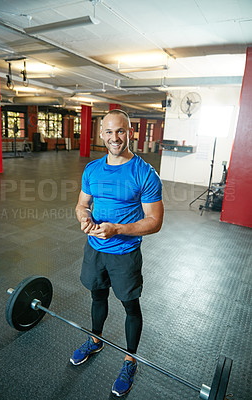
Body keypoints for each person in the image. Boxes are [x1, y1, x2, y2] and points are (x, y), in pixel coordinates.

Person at [70, 109, 164, 397]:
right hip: (95, 249)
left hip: (124, 254)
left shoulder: (145, 174)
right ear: (101, 134)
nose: (115, 138)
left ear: (130, 132)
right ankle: (95, 339)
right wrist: (84, 218)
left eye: (120, 131)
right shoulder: (92, 170)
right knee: (97, 295)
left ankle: (129, 359)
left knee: (129, 305)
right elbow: (81, 204)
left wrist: (117, 230)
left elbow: (154, 222)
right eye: (109, 132)